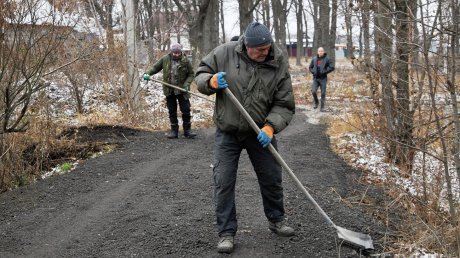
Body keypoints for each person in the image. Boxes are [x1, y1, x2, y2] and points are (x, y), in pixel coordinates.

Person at [195, 21, 296, 254]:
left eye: (267, 48)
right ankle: (226, 233)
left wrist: (271, 127)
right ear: (246, 46)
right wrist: (209, 82)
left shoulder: (277, 61)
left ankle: (276, 219)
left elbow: (284, 103)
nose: (265, 52)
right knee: (224, 180)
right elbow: (200, 73)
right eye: (259, 50)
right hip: (228, 132)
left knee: (271, 176)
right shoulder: (224, 52)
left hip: (260, 132)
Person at [143, 43, 196, 139]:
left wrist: (186, 84)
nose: (176, 54)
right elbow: (155, 68)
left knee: (186, 110)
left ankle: (187, 131)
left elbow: (191, 74)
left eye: (178, 53)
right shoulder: (165, 59)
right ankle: (174, 131)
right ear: (171, 52)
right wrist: (147, 73)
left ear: (181, 52)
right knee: (172, 111)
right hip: (169, 90)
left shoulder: (186, 61)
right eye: (174, 53)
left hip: (182, 90)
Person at [308, 47, 334, 112]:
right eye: (319, 51)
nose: (320, 52)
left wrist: (324, 71)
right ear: (317, 52)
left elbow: (332, 67)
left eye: (322, 51)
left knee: (323, 93)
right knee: (313, 91)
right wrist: (313, 72)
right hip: (316, 78)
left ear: (324, 51)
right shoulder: (314, 59)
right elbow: (310, 67)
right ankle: (316, 102)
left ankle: (322, 107)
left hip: (323, 79)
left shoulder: (327, 59)